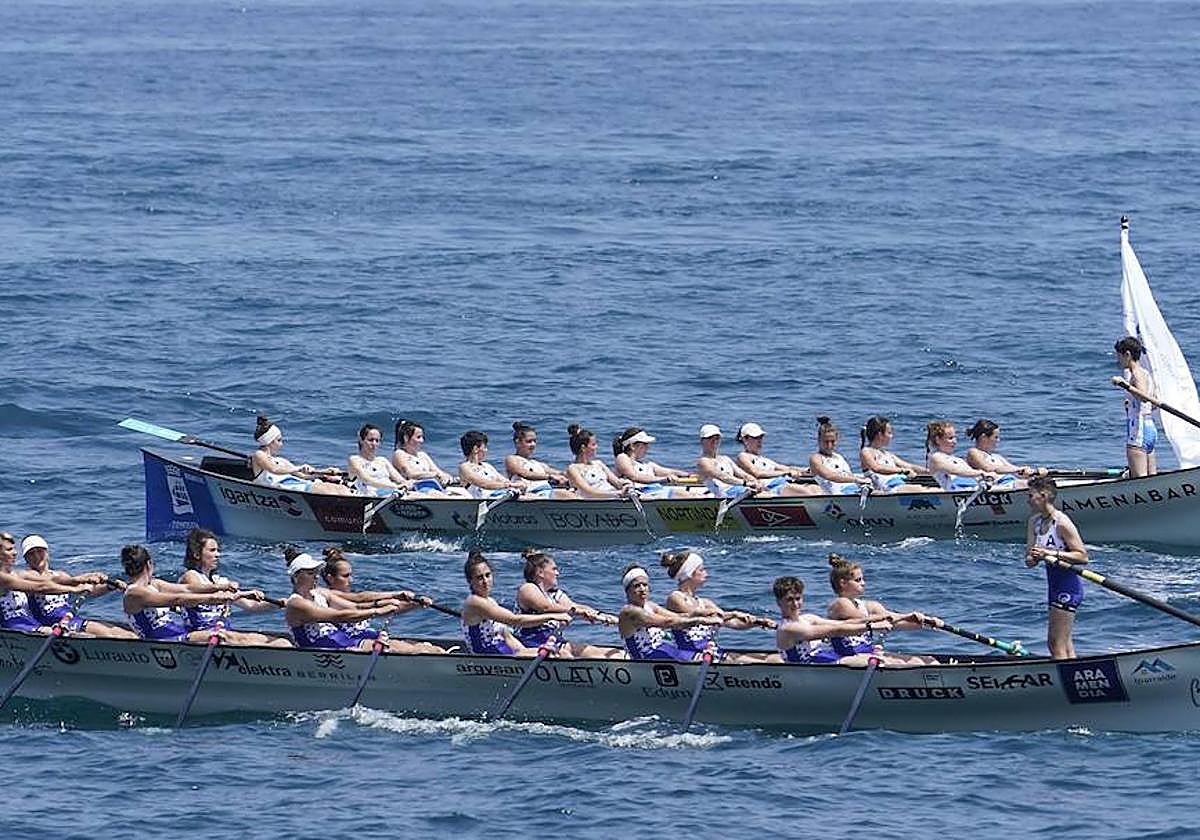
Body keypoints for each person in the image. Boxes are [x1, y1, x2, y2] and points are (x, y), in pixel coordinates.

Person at [283, 550, 427, 652]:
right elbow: (338, 616)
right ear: (295, 577)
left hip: (342, 642)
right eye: (310, 573)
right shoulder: (296, 603)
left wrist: (396, 597)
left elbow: (357, 604)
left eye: (316, 572)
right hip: (325, 649)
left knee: (425, 648)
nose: (316, 577)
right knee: (411, 651)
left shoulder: (320, 593)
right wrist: (377, 611)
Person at [317, 547, 443, 654]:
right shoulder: (327, 596)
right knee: (420, 651)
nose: (351, 580)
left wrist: (416, 603)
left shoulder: (349, 596)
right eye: (345, 576)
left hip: (367, 636)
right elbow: (360, 599)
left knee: (428, 647)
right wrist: (395, 595)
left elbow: (384, 607)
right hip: (352, 643)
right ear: (330, 578)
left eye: (351, 575)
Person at [177, 529, 290, 647]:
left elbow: (252, 606)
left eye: (218, 550)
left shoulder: (220, 581)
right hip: (197, 635)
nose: (218, 554)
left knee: (281, 642)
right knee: (234, 637)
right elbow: (208, 596)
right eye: (212, 550)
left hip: (221, 633)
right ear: (196, 554)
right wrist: (240, 593)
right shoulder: (190, 576)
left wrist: (278, 603)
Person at [660, 550, 775, 662]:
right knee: (763, 662)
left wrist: (757, 622)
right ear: (689, 574)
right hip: (689, 655)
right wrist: (734, 613)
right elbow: (701, 615)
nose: (706, 573)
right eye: (701, 570)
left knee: (772, 658)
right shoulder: (675, 597)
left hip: (711, 652)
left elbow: (732, 623)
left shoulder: (705, 603)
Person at [825, 553, 940, 665]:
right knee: (904, 663)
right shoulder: (840, 603)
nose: (863, 583)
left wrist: (926, 622)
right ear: (843, 583)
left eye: (863, 579)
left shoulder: (869, 605)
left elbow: (895, 623)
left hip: (867, 654)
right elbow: (873, 620)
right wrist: (906, 616)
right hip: (846, 657)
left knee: (928, 661)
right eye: (858, 580)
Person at [19, 535, 135, 638]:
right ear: (26, 559)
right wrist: (82, 578)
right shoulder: (26, 576)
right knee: (118, 635)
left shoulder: (61, 575)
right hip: (52, 623)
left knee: (125, 632)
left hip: (69, 619)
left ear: (47, 553)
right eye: (31, 553)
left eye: (40, 551)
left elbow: (87, 590)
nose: (36, 556)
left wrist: (109, 586)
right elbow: (47, 583)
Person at [121, 544, 242, 642]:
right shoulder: (135, 593)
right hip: (161, 641)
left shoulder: (154, 584)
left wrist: (222, 587)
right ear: (149, 564)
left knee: (232, 635)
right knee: (224, 637)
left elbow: (188, 589)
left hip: (177, 633)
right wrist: (214, 598)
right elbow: (177, 599)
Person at [1025, 476, 1089, 659]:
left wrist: (1049, 553)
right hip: (1053, 585)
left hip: (1068, 586)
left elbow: (1082, 556)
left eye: (1030, 496)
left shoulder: (1061, 522)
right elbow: (1028, 561)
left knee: (1055, 643)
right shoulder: (1034, 522)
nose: (1027, 501)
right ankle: (1073, 672)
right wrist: (1034, 557)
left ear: (1043, 496)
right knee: (1064, 644)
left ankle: (1063, 674)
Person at [461, 553, 573, 657]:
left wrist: (524, 651)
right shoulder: (474, 602)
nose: (485, 581)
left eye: (488, 575)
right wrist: (553, 616)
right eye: (479, 578)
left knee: (561, 652)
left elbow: (508, 637)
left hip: (503, 650)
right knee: (558, 655)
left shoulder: (490, 601)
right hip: (486, 654)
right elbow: (515, 620)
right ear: (470, 581)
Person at [515, 548, 621, 658]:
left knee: (610, 653)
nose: (557, 573)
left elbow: (574, 606)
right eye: (554, 569)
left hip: (554, 641)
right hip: (529, 642)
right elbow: (545, 607)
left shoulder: (555, 594)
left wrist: (602, 616)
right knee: (568, 654)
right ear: (540, 572)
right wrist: (578, 612)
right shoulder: (528, 588)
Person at [774, 576, 889, 666]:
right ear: (779, 602)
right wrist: (870, 627)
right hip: (806, 670)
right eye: (789, 600)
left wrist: (877, 619)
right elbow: (835, 631)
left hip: (820, 660)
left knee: (885, 658)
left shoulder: (808, 618)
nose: (795, 604)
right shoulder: (788, 628)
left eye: (798, 598)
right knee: (871, 661)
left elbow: (844, 623)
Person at [617, 564, 722, 661]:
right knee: (699, 659)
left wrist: (706, 614)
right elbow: (668, 622)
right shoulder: (630, 611)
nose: (642, 589)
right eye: (636, 586)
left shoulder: (650, 606)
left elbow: (679, 616)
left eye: (645, 585)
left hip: (663, 649)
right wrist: (703, 621)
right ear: (627, 590)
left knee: (711, 657)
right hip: (645, 657)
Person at [1, 531, 94, 633]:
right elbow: (41, 587)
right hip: (12, 627)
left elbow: (50, 580)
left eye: (14, 549)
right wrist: (74, 589)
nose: (15, 553)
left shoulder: (16, 575)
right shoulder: (3, 578)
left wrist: (83, 580)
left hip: (31, 623)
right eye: (9, 550)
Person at [251, 415, 351, 495]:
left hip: (298, 484)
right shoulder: (259, 455)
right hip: (286, 489)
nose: (281, 444)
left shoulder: (281, 461)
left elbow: (304, 476)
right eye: (279, 440)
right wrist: (298, 468)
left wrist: (324, 472)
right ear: (270, 442)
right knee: (327, 490)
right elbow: (274, 469)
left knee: (340, 489)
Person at [613, 427, 707, 498]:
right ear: (632, 446)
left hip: (655, 491)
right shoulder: (623, 458)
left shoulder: (647, 464)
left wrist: (689, 475)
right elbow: (634, 476)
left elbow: (669, 471)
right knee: (684, 494)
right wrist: (663, 479)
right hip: (640, 494)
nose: (648, 447)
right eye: (645, 444)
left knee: (695, 494)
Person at [733, 422, 821, 497]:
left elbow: (786, 468)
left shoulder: (764, 459)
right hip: (768, 488)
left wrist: (807, 470)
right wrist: (785, 473)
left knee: (815, 488)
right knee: (807, 492)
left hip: (781, 483)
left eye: (761, 437)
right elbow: (757, 473)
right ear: (744, 439)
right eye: (756, 438)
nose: (759, 441)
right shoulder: (743, 456)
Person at [1114, 335, 1158, 477]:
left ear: (1127, 355)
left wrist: (1124, 385)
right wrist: (1131, 403)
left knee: (1141, 480)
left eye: (1119, 357)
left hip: (1138, 430)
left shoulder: (1137, 374)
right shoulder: (1146, 374)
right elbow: (1154, 403)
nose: (1118, 361)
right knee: (1152, 478)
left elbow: (1143, 397)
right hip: (1149, 428)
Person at [392, 419, 471, 496]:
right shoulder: (400, 454)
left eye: (422, 437)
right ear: (406, 438)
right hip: (414, 489)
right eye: (418, 437)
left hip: (431, 487)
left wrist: (445, 477)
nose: (422, 440)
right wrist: (434, 474)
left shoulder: (422, 455)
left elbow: (437, 471)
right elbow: (410, 474)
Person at [505, 422, 576, 499]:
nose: (533, 444)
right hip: (529, 493)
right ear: (518, 442)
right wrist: (550, 477)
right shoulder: (512, 459)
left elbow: (558, 473)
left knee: (571, 492)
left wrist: (570, 475)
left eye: (535, 441)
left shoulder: (537, 463)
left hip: (546, 491)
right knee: (565, 494)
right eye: (529, 441)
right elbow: (525, 474)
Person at [964, 419, 1043, 487]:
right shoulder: (974, 452)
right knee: (1030, 485)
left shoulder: (997, 457)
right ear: (983, 437)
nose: (998, 440)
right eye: (995, 437)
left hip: (1010, 483)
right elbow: (989, 468)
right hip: (997, 485)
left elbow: (1015, 471)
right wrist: (1018, 469)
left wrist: (1033, 473)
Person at [858, 415, 928, 493]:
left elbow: (909, 466)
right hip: (888, 487)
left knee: (931, 488)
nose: (892, 436)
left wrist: (929, 471)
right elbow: (876, 468)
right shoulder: (866, 451)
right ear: (880, 434)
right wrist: (902, 470)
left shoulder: (887, 454)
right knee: (926, 490)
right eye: (889, 433)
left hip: (899, 483)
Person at [925, 420, 999, 491]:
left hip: (972, 489)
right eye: (950, 438)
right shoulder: (936, 458)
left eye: (955, 437)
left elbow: (971, 473)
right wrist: (981, 473)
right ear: (938, 440)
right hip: (957, 492)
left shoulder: (958, 460)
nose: (955, 441)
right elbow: (957, 471)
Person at [564, 424, 634, 499]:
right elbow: (588, 491)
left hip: (613, 497)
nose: (596, 447)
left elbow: (616, 482)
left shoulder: (598, 464)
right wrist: (617, 493)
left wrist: (624, 483)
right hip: (598, 500)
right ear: (583, 448)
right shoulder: (573, 469)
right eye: (593, 444)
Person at [808, 417, 872, 495]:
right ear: (819, 440)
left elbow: (849, 475)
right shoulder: (815, 458)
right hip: (838, 494)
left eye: (832, 441)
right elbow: (829, 476)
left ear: (837, 440)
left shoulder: (838, 457)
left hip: (853, 489)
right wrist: (856, 479)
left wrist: (862, 480)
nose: (829, 445)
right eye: (826, 442)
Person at [695, 424, 762, 498]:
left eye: (717, 438)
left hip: (736, 490)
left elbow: (742, 474)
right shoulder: (703, 462)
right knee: (761, 494)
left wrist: (754, 481)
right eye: (709, 438)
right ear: (702, 441)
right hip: (723, 494)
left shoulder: (725, 459)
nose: (714, 441)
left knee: (764, 491)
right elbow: (723, 477)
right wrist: (745, 483)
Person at [347, 423, 413, 497]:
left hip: (392, 494)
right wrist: (394, 486)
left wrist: (407, 483)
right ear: (361, 440)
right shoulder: (354, 460)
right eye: (370, 440)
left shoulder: (382, 461)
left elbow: (399, 479)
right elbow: (367, 480)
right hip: (371, 497)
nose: (374, 444)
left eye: (377, 441)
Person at [458, 430, 529, 499]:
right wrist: (510, 485)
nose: (486, 450)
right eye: (485, 447)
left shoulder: (487, 466)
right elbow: (484, 484)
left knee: (530, 494)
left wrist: (518, 484)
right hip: (486, 499)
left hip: (501, 495)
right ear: (476, 449)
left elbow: (504, 481)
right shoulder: (465, 467)